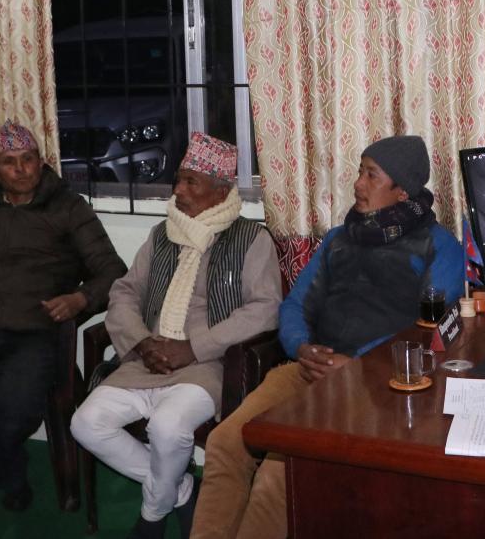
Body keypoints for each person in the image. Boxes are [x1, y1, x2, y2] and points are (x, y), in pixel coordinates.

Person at [189, 134, 464, 539]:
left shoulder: (439, 247)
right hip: (306, 370)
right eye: (360, 172)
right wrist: (301, 346)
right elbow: (294, 305)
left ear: (402, 190)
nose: (358, 183)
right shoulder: (338, 239)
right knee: (225, 442)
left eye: (371, 175)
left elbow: (430, 333)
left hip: (373, 387)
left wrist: (356, 365)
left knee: (279, 474)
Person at [71, 133, 281, 539]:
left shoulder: (251, 239)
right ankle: (182, 489)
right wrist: (141, 342)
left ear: (220, 191)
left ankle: (152, 516)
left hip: (207, 365)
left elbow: (265, 308)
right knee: (85, 423)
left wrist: (194, 348)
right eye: (179, 180)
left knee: (167, 428)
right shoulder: (161, 235)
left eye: (191, 182)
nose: (178, 190)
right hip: (146, 360)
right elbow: (125, 292)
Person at [0, 120, 125, 511]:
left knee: (10, 412)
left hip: (35, 335)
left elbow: (113, 271)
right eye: (9, 161)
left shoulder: (69, 208)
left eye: (28, 159)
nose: (20, 169)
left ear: (41, 162)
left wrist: (80, 299)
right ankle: (6, 468)